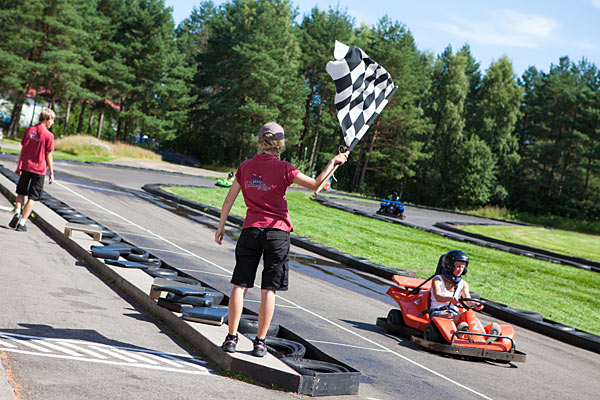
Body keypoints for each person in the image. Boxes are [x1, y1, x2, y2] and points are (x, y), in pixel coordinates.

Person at [215, 121, 348, 357]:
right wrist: (333, 162)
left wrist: (221, 226)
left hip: (250, 230)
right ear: (279, 144)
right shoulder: (285, 168)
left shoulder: (245, 167)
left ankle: (231, 338)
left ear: (260, 141)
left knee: (240, 285)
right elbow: (316, 185)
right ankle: (259, 342)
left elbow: (228, 200)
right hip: (277, 233)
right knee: (269, 289)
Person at [429, 249, 500, 343]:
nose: (460, 270)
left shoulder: (463, 284)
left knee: (470, 316)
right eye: (458, 266)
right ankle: (461, 331)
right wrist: (449, 298)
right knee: (455, 317)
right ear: (449, 266)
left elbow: (467, 301)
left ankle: (485, 336)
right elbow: (438, 296)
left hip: (454, 313)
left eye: (462, 267)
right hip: (438, 312)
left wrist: (477, 304)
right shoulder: (437, 280)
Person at [8, 108, 55, 232]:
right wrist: (51, 172)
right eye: (52, 120)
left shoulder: (29, 130)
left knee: (21, 192)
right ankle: (22, 222)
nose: (52, 123)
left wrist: (19, 166)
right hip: (39, 169)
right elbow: (48, 155)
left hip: (26, 166)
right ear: (46, 119)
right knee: (33, 197)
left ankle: (17, 212)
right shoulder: (49, 135)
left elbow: (23, 150)